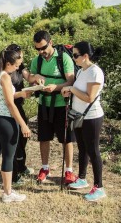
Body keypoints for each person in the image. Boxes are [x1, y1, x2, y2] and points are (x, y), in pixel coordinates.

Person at [0, 47, 32, 203]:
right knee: (8, 157)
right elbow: (10, 104)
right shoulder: (6, 77)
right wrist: (23, 125)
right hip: (7, 122)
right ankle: (8, 193)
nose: (17, 68)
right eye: (16, 65)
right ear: (8, 63)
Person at [28, 30, 77, 184]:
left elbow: (71, 82)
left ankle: (68, 171)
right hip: (43, 104)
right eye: (37, 49)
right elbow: (30, 79)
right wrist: (35, 79)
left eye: (43, 48)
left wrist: (55, 87)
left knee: (66, 139)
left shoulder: (64, 59)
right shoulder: (37, 61)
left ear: (50, 42)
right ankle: (44, 168)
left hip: (62, 106)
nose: (41, 52)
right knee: (44, 138)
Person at [61, 41, 106, 201]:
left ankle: (99, 187)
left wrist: (72, 89)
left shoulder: (95, 72)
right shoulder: (81, 71)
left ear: (85, 56)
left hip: (92, 117)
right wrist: (69, 93)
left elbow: (89, 97)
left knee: (93, 151)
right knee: (82, 148)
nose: (73, 58)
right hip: (78, 115)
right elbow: (78, 92)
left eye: (75, 55)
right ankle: (82, 178)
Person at [5, 44, 34, 186]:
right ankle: (14, 175)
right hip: (11, 108)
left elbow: (29, 77)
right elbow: (8, 97)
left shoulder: (19, 67)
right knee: (14, 141)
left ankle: (21, 166)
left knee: (23, 138)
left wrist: (37, 80)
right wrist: (21, 94)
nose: (21, 60)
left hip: (19, 107)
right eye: (20, 57)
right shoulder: (5, 73)